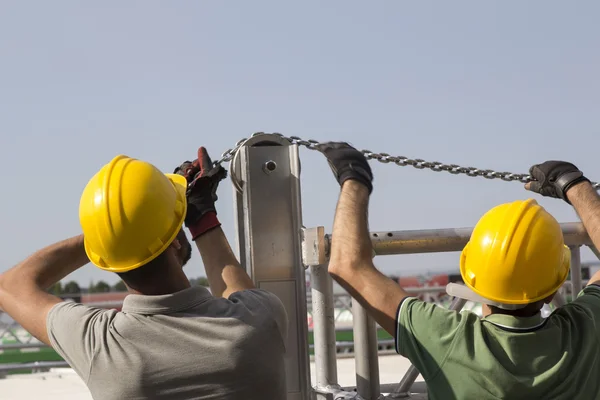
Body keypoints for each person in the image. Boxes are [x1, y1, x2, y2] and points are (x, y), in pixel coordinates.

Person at [317, 142, 600, 400]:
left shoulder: (447, 339)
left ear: (472, 277)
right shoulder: (585, 330)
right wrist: (574, 184)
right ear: (552, 290)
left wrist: (354, 178)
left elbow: (347, 265)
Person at [0, 147, 288, 400]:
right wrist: (201, 216)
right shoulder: (259, 320)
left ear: (105, 259)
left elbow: (10, 286)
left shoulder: (101, 344)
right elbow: (236, 294)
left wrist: (108, 231)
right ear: (175, 240)